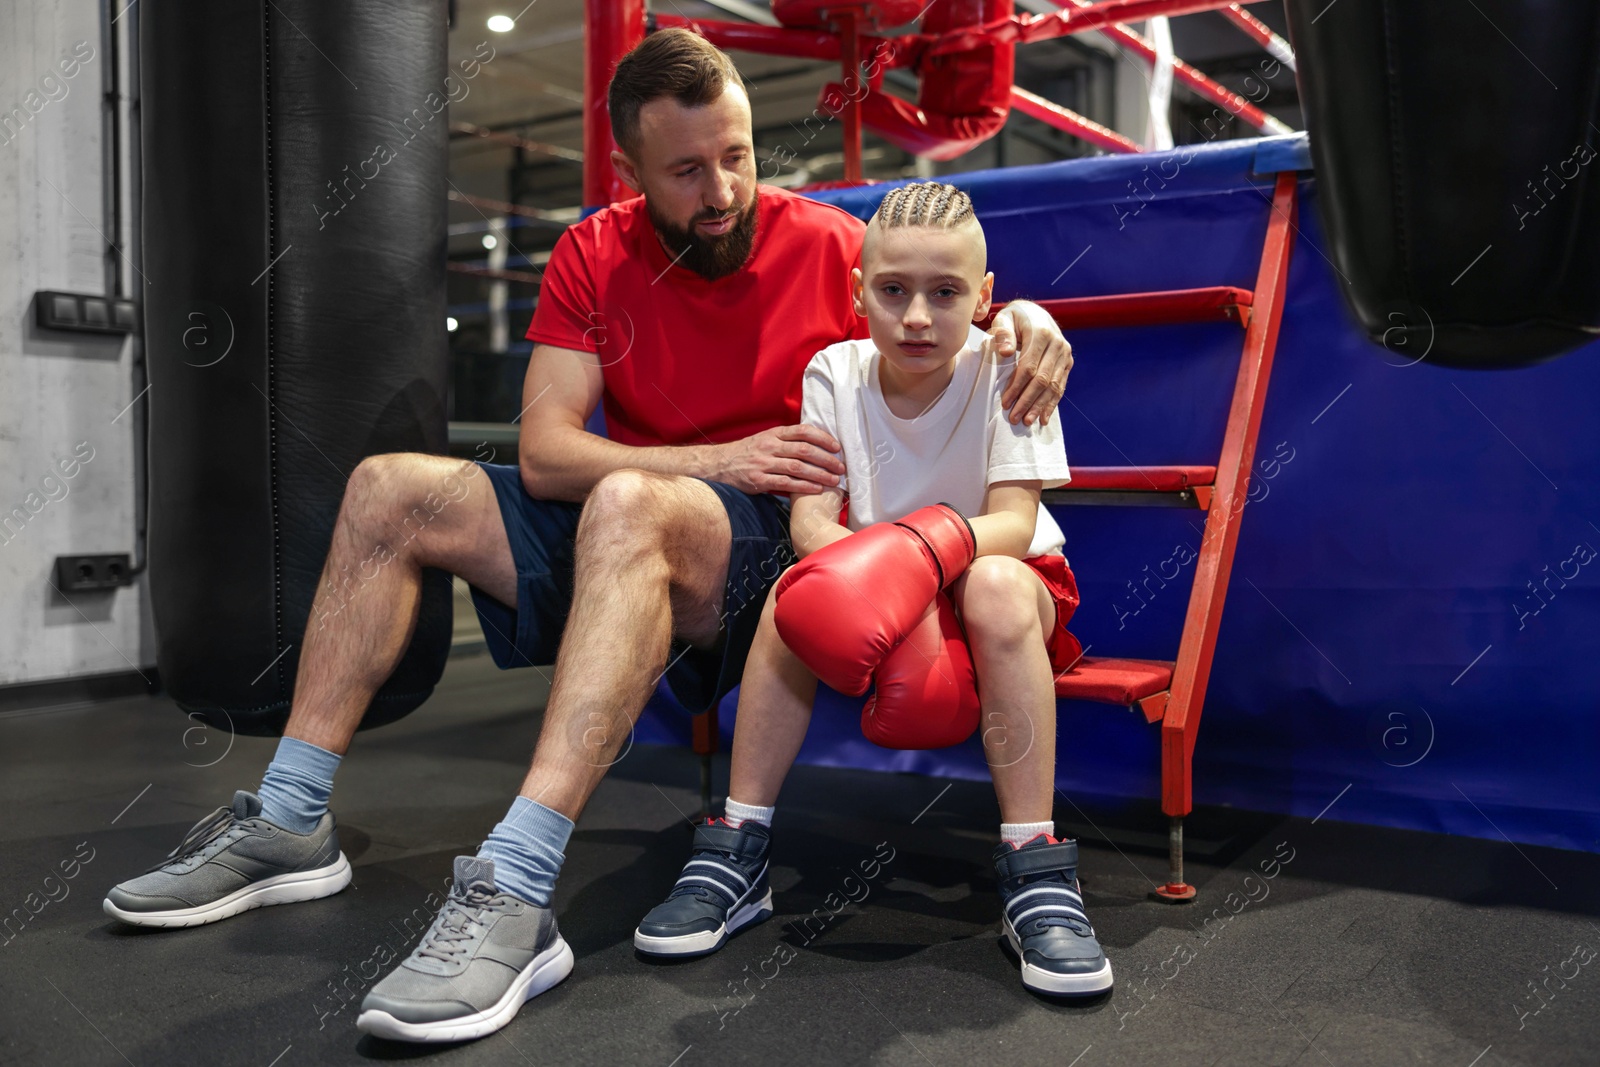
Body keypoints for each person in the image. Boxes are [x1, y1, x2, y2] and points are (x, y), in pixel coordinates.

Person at [101, 30, 1076, 1042]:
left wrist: (1030, 321)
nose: (722, 190)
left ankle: (517, 886)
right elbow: (544, 456)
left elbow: (935, 313)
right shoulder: (593, 250)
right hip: (654, 501)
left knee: (626, 503)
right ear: (629, 172)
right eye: (687, 170)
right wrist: (719, 457)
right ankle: (291, 816)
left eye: (736, 156)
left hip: (773, 549)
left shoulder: (830, 245)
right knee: (390, 488)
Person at [634, 180, 1113, 997]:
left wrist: (914, 560)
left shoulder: (1010, 366)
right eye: (893, 291)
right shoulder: (834, 370)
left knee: (996, 584)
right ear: (858, 292)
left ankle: (1036, 865)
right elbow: (812, 523)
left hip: (1001, 580)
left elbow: (1012, 521)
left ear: (986, 297)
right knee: (793, 591)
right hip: (880, 583)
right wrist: (883, 579)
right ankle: (739, 847)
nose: (918, 317)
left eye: (946, 292)